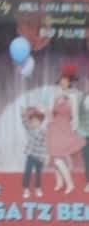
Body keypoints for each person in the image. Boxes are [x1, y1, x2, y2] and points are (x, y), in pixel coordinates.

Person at [47, 66, 86, 196]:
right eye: (61, 80)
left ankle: (70, 184)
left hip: (65, 129)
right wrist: (48, 115)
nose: (62, 82)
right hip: (54, 128)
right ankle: (59, 183)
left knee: (58, 159)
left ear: (70, 82)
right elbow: (51, 113)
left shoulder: (73, 96)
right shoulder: (56, 95)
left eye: (65, 80)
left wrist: (75, 130)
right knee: (55, 158)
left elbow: (75, 116)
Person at [21, 106, 48, 198]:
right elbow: (24, 122)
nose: (34, 123)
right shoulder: (30, 129)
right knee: (27, 172)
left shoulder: (44, 131)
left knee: (38, 174)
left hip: (40, 156)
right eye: (32, 121)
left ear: (40, 122)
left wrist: (45, 157)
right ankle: (26, 189)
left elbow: (45, 145)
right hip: (31, 155)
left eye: (36, 121)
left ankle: (38, 188)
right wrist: (23, 113)